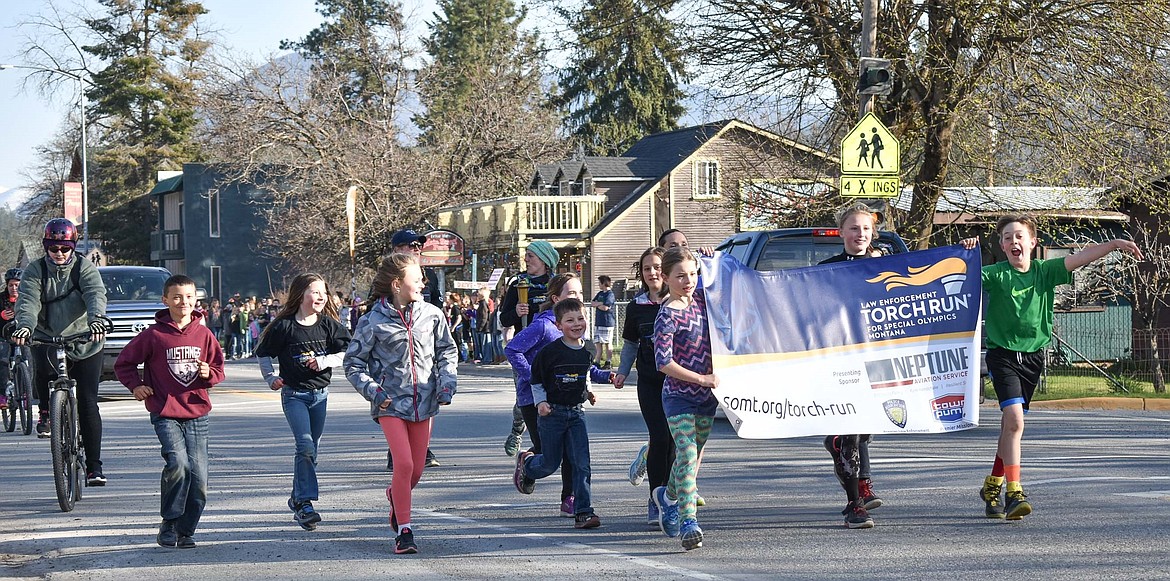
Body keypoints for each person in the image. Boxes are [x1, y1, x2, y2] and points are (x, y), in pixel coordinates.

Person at [976, 214, 1141, 520]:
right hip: (1003, 356)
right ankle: (1014, 492)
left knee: (1009, 427)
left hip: (1033, 357)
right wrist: (965, 251)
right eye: (1008, 237)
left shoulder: (1045, 271)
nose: (1014, 242)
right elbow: (957, 273)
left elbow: (1081, 257)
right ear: (1001, 245)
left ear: (1032, 242)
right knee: (1014, 422)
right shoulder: (996, 274)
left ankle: (992, 485)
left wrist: (1114, 244)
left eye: (1020, 236)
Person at [345, 253, 458, 555]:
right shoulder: (372, 321)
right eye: (417, 277)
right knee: (404, 464)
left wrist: (447, 382)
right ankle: (404, 531)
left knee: (417, 470)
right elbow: (353, 363)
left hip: (425, 403)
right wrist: (374, 392)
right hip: (389, 404)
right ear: (397, 284)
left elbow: (447, 351)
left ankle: (395, 496)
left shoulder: (432, 314)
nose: (423, 282)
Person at [114, 274, 225, 549]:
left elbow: (219, 370)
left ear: (196, 300)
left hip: (197, 412)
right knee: (178, 464)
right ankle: (170, 522)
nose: (182, 302)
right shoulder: (154, 335)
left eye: (188, 297)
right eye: (176, 297)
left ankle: (186, 530)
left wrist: (207, 373)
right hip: (165, 410)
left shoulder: (204, 334)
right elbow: (124, 364)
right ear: (165, 300)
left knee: (199, 478)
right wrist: (136, 386)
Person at [13, 218, 108, 484]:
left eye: (65, 248)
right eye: (53, 248)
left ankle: (94, 467)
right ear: (46, 247)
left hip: (85, 338)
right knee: (41, 366)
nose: (59, 253)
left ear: (72, 247)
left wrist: (97, 319)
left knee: (88, 403)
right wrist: (25, 327)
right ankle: (45, 410)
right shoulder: (35, 270)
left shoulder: (84, 268)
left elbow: (95, 294)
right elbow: (28, 301)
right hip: (46, 335)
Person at [254, 273, 352, 531]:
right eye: (315, 291)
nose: (321, 296)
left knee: (311, 452)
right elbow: (263, 353)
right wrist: (271, 378)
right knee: (305, 446)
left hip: (320, 395)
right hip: (294, 395)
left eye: (323, 292)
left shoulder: (328, 325)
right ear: (300, 294)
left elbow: (347, 353)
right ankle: (306, 504)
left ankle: (297, 498)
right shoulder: (284, 326)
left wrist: (324, 361)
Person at [513, 297, 612, 529]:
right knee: (549, 464)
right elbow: (536, 380)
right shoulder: (549, 352)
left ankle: (584, 512)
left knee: (582, 464)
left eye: (580, 319)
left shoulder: (587, 349)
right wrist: (541, 403)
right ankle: (527, 465)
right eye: (570, 320)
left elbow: (585, 372)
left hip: (577, 414)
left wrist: (590, 390)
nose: (576, 324)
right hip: (552, 414)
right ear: (558, 326)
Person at [817, 203, 887, 529]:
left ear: (873, 232)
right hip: (841, 360)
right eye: (854, 228)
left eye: (865, 229)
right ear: (841, 232)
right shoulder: (826, 269)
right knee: (851, 430)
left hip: (875, 357)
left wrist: (965, 251)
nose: (860, 234)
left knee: (864, 429)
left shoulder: (887, 265)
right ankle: (854, 505)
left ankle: (859, 478)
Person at [652, 246, 719, 551]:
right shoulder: (667, 315)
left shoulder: (703, 301)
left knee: (687, 462)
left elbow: (728, 284)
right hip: (678, 397)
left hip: (707, 399)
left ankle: (667, 497)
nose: (688, 280)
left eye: (693, 274)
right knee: (687, 454)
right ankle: (688, 521)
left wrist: (712, 259)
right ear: (665, 278)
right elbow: (663, 362)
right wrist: (702, 379)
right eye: (680, 276)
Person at [505, 273, 583, 518]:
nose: (577, 298)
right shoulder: (543, 325)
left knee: (572, 452)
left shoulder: (577, 325)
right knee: (549, 455)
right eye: (571, 294)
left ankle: (569, 499)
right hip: (535, 400)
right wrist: (534, 377)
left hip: (567, 399)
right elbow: (512, 349)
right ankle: (528, 463)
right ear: (555, 298)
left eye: (580, 293)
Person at [612, 247, 673, 526]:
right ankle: (654, 498)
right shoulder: (637, 306)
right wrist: (622, 373)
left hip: (677, 381)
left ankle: (670, 498)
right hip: (649, 381)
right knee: (659, 437)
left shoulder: (680, 302)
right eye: (647, 268)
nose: (652, 273)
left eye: (658, 267)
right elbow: (630, 345)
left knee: (675, 442)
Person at [500, 240, 559, 457]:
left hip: (551, 349)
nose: (526, 259)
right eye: (526, 255)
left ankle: (549, 437)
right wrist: (516, 311)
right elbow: (504, 319)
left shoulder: (555, 284)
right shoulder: (518, 284)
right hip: (524, 350)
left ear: (544, 260)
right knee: (525, 395)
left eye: (531, 256)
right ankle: (518, 428)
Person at [0, 268, 26, 410]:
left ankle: (25, 392)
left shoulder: (27, 298)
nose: (14, 288)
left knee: (27, 361)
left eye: (17, 285)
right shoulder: (1, 299)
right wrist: (2, 315)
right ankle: (2, 394)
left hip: (23, 337)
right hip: (4, 337)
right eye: (11, 285)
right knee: (2, 361)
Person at [590, 275, 616, 369]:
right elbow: (593, 303)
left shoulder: (610, 294)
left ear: (604, 283)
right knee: (598, 343)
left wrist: (599, 304)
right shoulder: (600, 293)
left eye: (599, 283)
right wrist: (600, 304)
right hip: (598, 322)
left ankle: (608, 361)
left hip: (607, 322)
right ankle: (597, 361)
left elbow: (606, 307)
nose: (599, 285)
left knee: (607, 343)